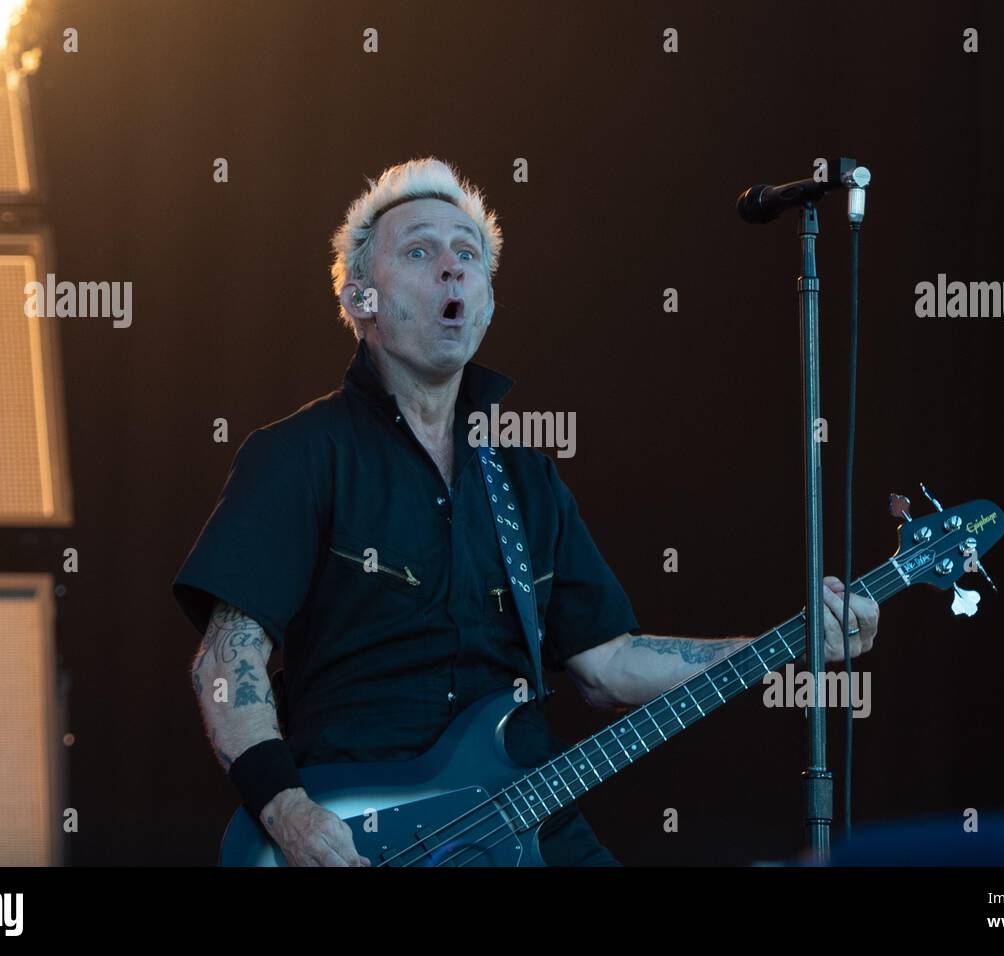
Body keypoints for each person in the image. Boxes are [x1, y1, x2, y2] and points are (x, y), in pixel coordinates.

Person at [172, 157, 880, 867]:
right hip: (361, 837)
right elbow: (226, 663)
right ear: (361, 298)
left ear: (486, 302)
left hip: (527, 823)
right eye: (419, 251)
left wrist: (789, 643)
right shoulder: (299, 456)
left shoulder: (526, 479)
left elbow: (608, 663)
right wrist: (287, 812)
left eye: (468, 255)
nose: (452, 267)